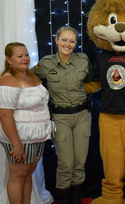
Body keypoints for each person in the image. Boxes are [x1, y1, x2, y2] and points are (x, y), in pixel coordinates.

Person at [31, 26, 92, 204]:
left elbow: (90, 82)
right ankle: (64, 200)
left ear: (76, 43)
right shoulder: (46, 63)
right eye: (64, 40)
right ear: (56, 40)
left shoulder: (83, 60)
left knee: (80, 162)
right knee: (66, 163)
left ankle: (76, 198)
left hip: (82, 116)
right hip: (60, 118)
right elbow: (28, 77)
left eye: (72, 41)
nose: (68, 44)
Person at [0, 42, 54, 204]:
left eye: (26, 54)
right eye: (20, 56)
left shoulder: (29, 75)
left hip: (36, 136)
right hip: (20, 137)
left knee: (27, 173)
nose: (25, 58)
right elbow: (5, 117)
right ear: (9, 59)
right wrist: (16, 145)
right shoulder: (7, 81)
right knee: (18, 177)